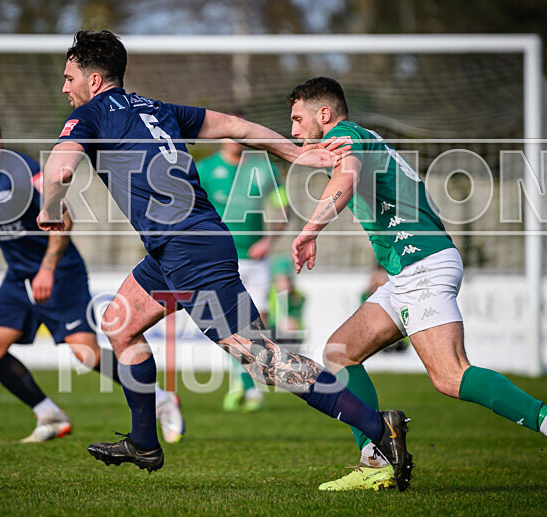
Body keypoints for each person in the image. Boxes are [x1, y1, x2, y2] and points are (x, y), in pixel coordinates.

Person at [38, 30, 413, 490]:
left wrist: (50, 209)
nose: (65, 87)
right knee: (120, 324)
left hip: (189, 250)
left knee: (264, 361)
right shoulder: (158, 109)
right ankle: (143, 441)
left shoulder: (90, 114)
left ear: (94, 81)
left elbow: (59, 169)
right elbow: (237, 126)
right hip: (175, 249)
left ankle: (379, 427)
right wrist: (295, 153)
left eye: (69, 78)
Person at [288, 77, 547, 492]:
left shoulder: (346, 136)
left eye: (297, 118)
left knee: (450, 375)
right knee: (340, 352)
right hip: (410, 269)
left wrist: (310, 230)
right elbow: (306, 156)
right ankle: (376, 458)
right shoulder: (359, 138)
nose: (293, 128)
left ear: (324, 114)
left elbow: (345, 178)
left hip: (422, 265)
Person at [0, 112, 184, 444]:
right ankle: (50, 415)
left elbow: (65, 219)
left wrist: (47, 268)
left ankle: (160, 399)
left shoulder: (27, 171)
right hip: (19, 277)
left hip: (60, 271)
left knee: (86, 354)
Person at [196, 112, 288, 412]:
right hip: (220, 261)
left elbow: (283, 210)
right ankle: (247, 385)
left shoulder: (264, 170)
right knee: (230, 326)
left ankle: (245, 380)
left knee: (258, 327)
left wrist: (268, 241)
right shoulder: (205, 169)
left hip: (257, 261)